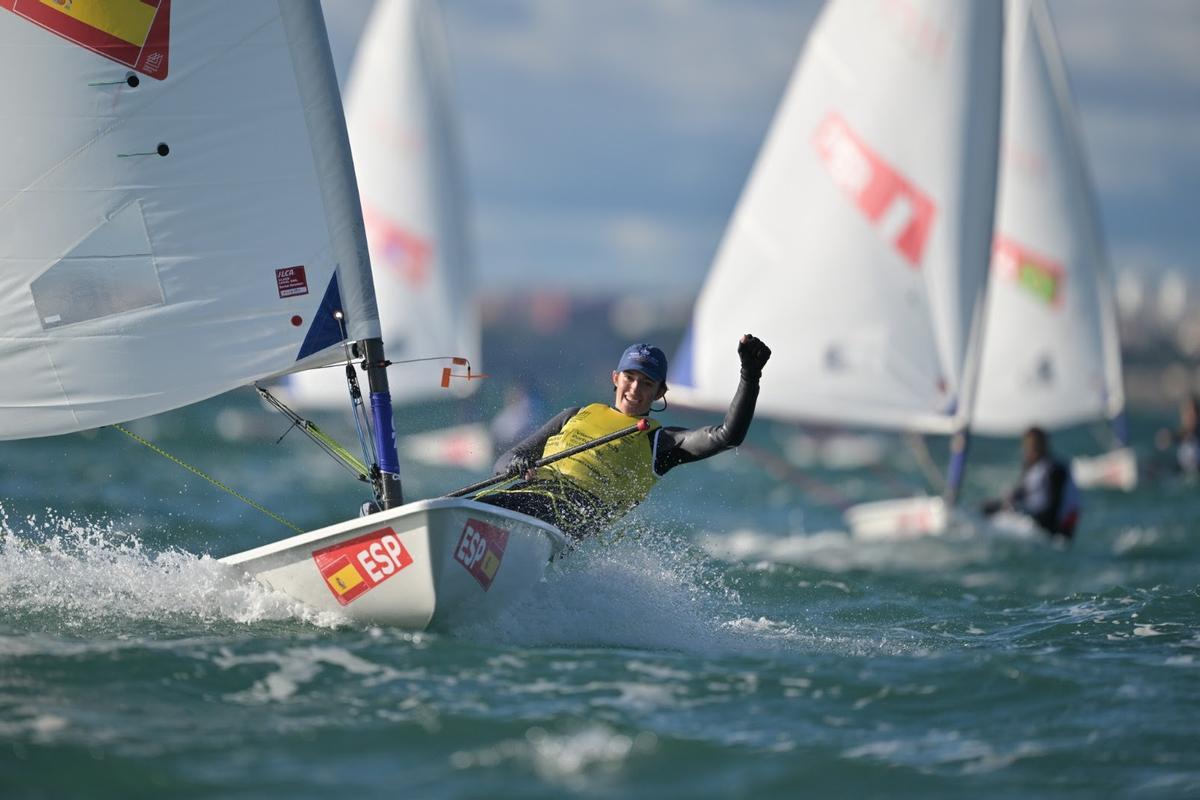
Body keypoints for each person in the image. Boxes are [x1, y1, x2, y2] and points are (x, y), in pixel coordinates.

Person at [475, 334, 772, 541]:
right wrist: (515, 464)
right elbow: (504, 461)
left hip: (572, 520)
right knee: (478, 503)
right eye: (629, 378)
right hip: (525, 498)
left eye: (646, 383)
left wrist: (749, 376)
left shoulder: (661, 442)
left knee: (503, 508)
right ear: (615, 378)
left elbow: (726, 436)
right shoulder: (573, 414)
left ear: (659, 393)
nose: (634, 389)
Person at [981, 426, 1080, 541]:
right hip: (1037, 518)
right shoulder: (1033, 466)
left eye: (1031, 446)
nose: (1027, 451)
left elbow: (1054, 507)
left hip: (1054, 528)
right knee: (988, 508)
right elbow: (1021, 492)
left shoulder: (1055, 470)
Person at [1154, 394, 1200, 474]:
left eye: (1192, 412)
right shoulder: (1178, 434)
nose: (1189, 416)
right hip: (1181, 473)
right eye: (1186, 412)